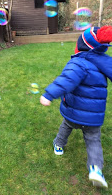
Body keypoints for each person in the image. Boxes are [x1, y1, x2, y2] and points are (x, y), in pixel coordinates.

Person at [40, 26, 112, 188]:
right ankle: (95, 169)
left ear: (82, 45)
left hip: (74, 111)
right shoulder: (105, 62)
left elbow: (65, 80)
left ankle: (58, 145)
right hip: (93, 116)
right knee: (93, 140)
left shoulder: (78, 63)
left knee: (66, 126)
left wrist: (49, 94)